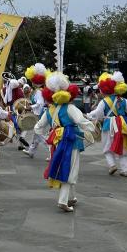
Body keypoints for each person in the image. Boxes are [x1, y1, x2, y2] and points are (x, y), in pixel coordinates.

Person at [34, 72, 95, 212]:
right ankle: (62, 200)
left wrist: (47, 138)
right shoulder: (71, 108)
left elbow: (38, 127)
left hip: (56, 143)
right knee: (71, 169)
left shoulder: (49, 110)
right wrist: (93, 127)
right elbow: (81, 121)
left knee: (65, 167)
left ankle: (72, 197)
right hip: (71, 141)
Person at [87, 71, 127, 177]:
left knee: (107, 148)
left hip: (109, 125)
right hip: (124, 125)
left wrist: (88, 115)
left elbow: (98, 114)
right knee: (123, 148)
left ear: (104, 89)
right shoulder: (124, 100)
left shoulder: (104, 101)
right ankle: (125, 170)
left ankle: (112, 165)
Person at [23, 63, 50, 159]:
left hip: (40, 115)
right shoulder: (39, 90)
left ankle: (52, 151)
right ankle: (31, 151)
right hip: (40, 114)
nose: (31, 82)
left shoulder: (38, 91)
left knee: (40, 135)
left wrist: (30, 107)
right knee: (36, 134)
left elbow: (40, 103)